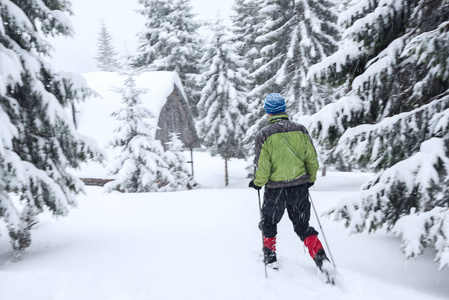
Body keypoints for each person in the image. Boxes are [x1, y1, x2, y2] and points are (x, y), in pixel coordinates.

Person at [249, 93, 335, 283]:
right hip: (299, 187)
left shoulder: (264, 134)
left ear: (267, 111)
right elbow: (311, 158)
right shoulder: (300, 130)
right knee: (302, 226)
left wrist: (257, 182)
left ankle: (270, 258)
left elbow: (262, 165)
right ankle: (322, 260)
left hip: (275, 189)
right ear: (284, 109)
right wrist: (310, 178)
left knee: (269, 222)